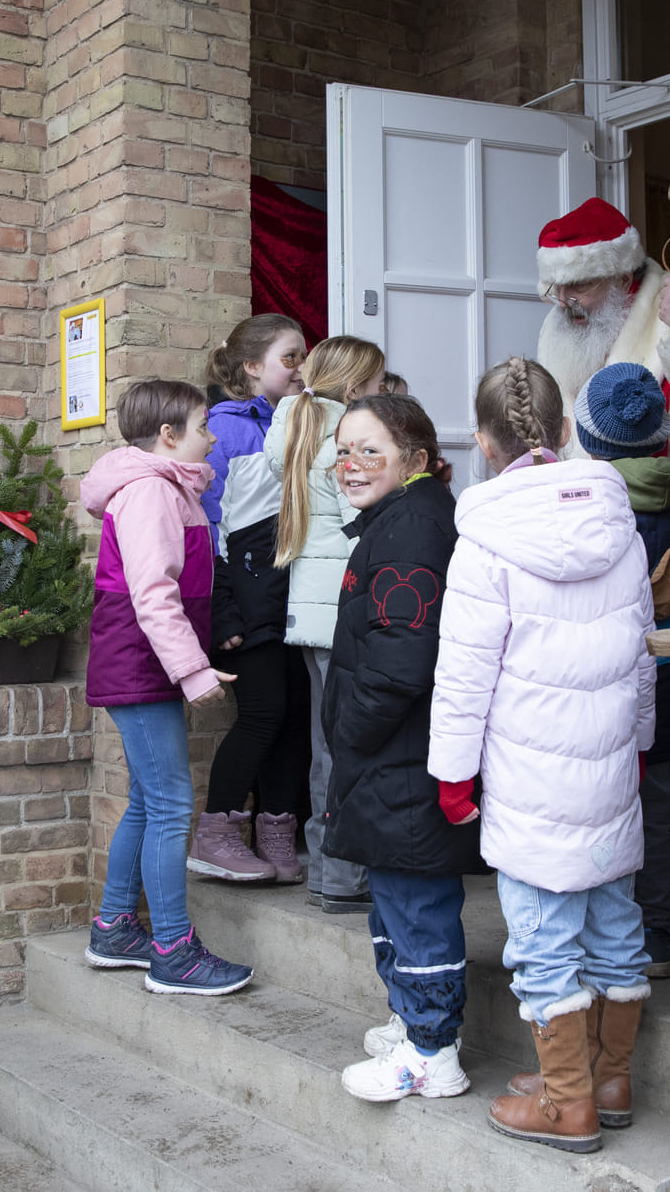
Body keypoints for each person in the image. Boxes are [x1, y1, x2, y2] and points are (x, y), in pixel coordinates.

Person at [430, 357, 656, 1155]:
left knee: (543, 937)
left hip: (530, 777)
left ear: (482, 444)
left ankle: (568, 1104)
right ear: (564, 431)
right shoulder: (616, 523)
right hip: (606, 769)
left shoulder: (485, 538)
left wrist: (452, 774)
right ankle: (607, 1075)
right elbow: (640, 653)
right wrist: (636, 745)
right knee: (615, 924)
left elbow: (463, 673)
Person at [322, 394, 482, 1103]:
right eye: (343, 450)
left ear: (415, 459)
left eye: (369, 451)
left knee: (417, 906)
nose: (350, 465)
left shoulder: (413, 528)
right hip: (385, 764)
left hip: (404, 763)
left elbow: (401, 659)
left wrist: (349, 733)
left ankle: (430, 1050)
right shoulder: (393, 520)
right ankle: (409, 1019)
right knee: (392, 902)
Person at [80, 379, 253, 996]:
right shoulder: (152, 492)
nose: (212, 437)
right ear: (168, 435)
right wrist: (193, 670)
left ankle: (115, 928)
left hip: (142, 663)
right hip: (141, 665)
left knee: (151, 802)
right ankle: (173, 952)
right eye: (204, 426)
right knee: (174, 804)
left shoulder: (163, 488)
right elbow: (154, 593)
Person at [572, 362, 670, 980]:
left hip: (607, 667)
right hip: (669, 664)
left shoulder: (589, 503)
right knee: (654, 799)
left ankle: (599, 927)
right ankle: (656, 931)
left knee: (597, 795)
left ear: (590, 439)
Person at [266, 335, 386, 913]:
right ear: (356, 387)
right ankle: (344, 874)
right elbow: (356, 518)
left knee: (325, 743)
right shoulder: (345, 439)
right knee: (348, 744)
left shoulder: (295, 426)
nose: (384, 394)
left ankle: (323, 867)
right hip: (342, 606)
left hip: (309, 608)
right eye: (379, 384)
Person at [190, 314, 309, 884]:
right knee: (263, 714)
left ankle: (277, 835)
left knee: (290, 718)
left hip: (288, 594)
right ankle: (216, 830)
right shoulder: (224, 430)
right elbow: (206, 528)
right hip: (243, 602)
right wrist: (221, 610)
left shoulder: (294, 419)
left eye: (304, 357)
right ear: (251, 367)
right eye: (290, 358)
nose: (301, 368)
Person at [532, 197, 670, 470]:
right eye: (556, 287)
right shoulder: (558, 323)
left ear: (622, 279)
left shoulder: (666, 320)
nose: (561, 301)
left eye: (576, 287)